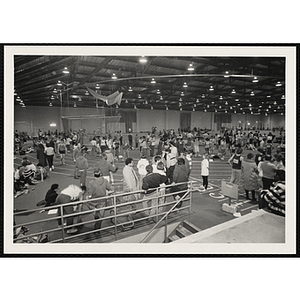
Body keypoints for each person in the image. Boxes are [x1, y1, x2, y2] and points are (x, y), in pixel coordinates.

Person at [87, 169, 114, 236]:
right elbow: (111, 189)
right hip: (102, 201)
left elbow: (90, 195)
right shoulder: (105, 181)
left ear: (94, 175)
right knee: (100, 217)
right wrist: (107, 193)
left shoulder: (91, 183)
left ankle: (95, 214)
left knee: (88, 203)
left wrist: (88, 197)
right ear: (101, 174)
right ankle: (97, 230)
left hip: (93, 202)